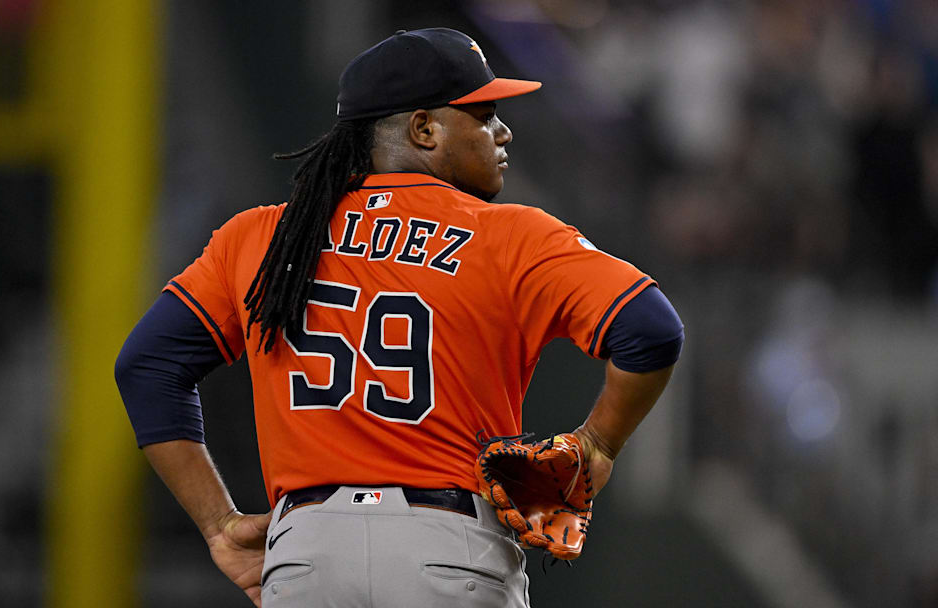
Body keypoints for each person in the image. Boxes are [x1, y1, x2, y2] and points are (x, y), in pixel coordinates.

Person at [116, 27, 683, 607]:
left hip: (307, 554)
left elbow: (147, 366)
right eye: (483, 114)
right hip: (446, 547)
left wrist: (218, 523)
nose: (503, 131)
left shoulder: (264, 236)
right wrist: (596, 446)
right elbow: (650, 330)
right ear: (424, 129)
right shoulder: (510, 234)